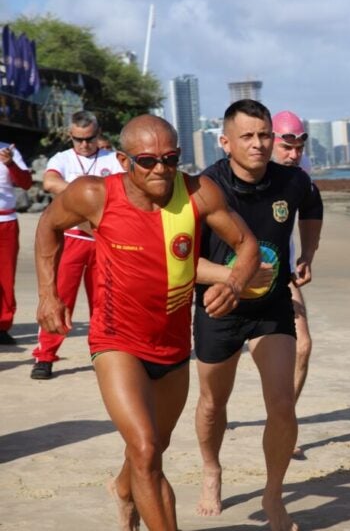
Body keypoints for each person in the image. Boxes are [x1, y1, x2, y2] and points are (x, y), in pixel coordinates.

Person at [34, 114, 260, 531]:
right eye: (147, 161)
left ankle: (124, 490)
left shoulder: (198, 193)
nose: (161, 169)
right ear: (123, 161)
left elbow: (247, 245)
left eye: (170, 159)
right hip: (116, 340)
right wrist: (49, 294)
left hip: (173, 346)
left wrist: (235, 283)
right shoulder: (93, 194)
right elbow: (49, 228)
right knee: (144, 448)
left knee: (153, 449)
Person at [193, 99, 321, 531]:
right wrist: (233, 275)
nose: (259, 144)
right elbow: (182, 262)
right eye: (247, 136)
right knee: (213, 404)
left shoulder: (292, 180)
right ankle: (212, 469)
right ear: (225, 142)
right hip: (219, 305)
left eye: (264, 135)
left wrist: (308, 253)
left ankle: (273, 494)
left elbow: (313, 204)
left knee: (282, 404)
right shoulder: (204, 188)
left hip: (271, 306)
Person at [31, 111, 123, 379]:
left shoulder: (112, 159)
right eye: (77, 139)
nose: (83, 145)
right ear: (70, 136)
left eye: (89, 139)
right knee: (59, 298)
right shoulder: (62, 158)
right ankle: (45, 356)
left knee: (104, 301)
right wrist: (85, 196)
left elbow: (126, 187)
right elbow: (49, 182)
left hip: (103, 240)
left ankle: (102, 354)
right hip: (70, 238)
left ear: (99, 134)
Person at [270, 110, 323, 413]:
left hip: (283, 272)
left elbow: (310, 209)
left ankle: (282, 421)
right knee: (225, 361)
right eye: (286, 147)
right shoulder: (246, 166)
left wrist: (307, 255)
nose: (293, 155)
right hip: (236, 271)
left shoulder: (301, 168)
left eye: (299, 148)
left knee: (302, 346)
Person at [0, 141, 33, 345]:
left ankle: (2, 326)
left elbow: (26, 183)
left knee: (5, 275)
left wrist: (11, 164)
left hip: (6, 222)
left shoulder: (8, 150)